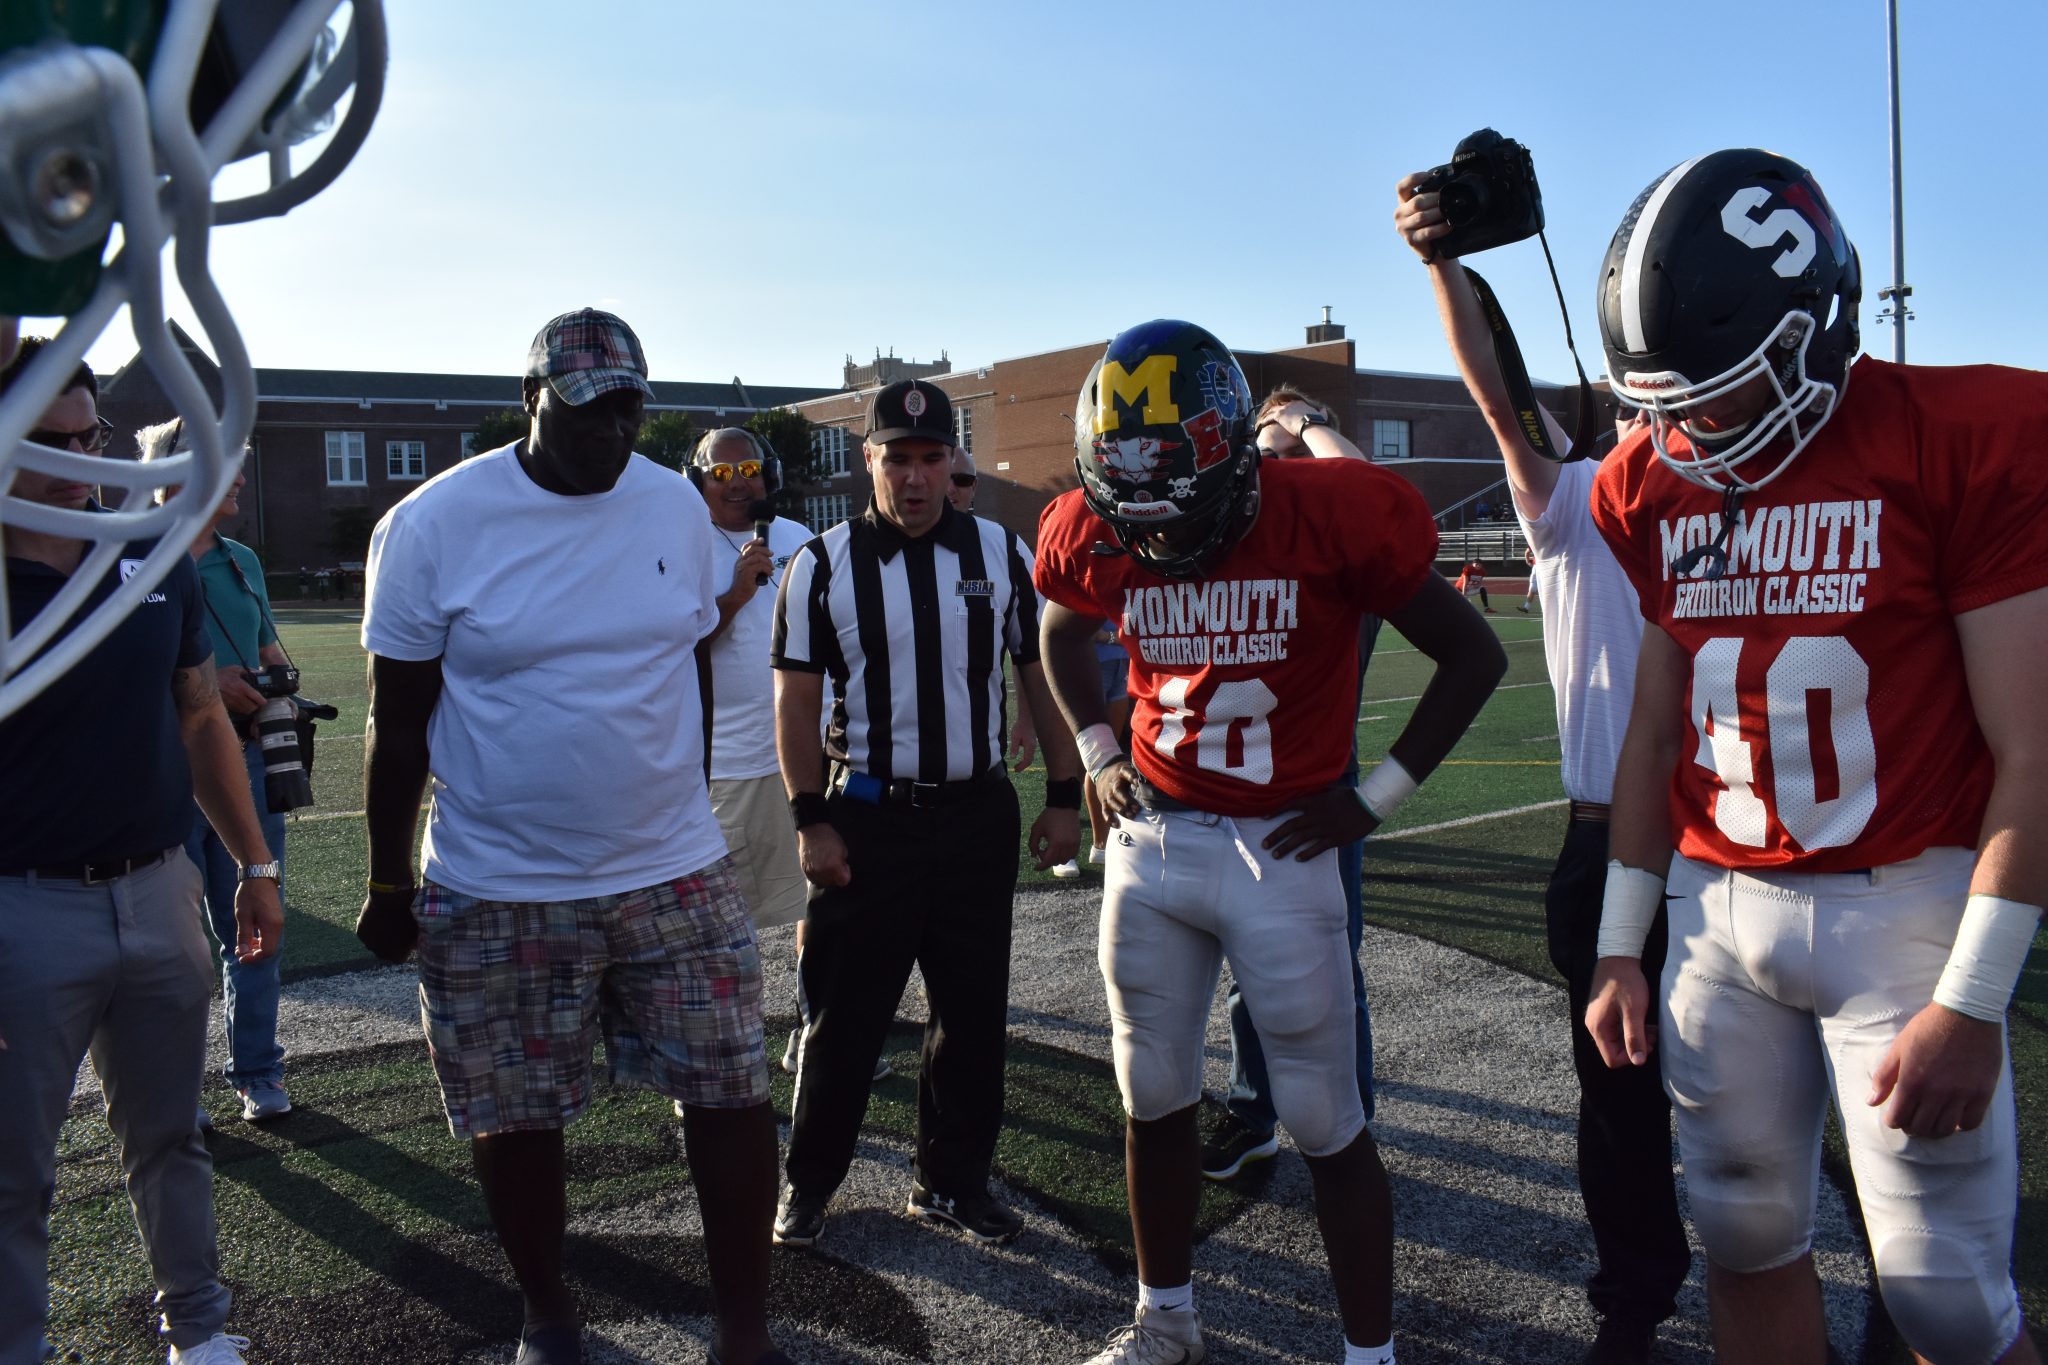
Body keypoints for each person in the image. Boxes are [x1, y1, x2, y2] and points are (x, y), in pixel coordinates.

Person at [1582, 149, 2048, 1365]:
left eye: (1716, 392)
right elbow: (1650, 726)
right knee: (1739, 1237)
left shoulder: (1958, 439)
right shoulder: (1647, 484)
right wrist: (1617, 945)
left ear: (1813, 335)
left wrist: (1974, 996)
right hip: (1711, 907)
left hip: (1902, 909)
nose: (1682, 431)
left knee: (1947, 1300)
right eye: (1660, 401)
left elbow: (2034, 749)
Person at [1036, 320, 1505, 1365]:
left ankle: (1367, 1354)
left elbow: (1470, 654)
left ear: (1236, 462)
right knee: (1150, 1094)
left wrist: (1373, 797)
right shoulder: (1097, 525)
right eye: (1134, 522)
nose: (1157, 542)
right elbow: (1060, 626)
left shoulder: (1329, 513)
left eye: (1179, 515)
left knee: (1324, 1118)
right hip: (1153, 839)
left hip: (1283, 849)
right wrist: (1096, 745)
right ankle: (1165, 1320)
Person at [355, 310, 789, 1365]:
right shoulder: (434, 523)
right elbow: (397, 718)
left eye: (627, 406)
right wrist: (385, 882)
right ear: (530, 402)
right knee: (516, 1111)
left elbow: (686, 648)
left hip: (673, 867)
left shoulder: (673, 509)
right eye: (583, 405)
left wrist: (678, 795)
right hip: (498, 877)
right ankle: (547, 1312)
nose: (608, 428)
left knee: (732, 1090)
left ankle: (742, 1327)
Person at [1395, 169, 1684, 1364]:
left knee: (1755, 1093)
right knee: (1616, 1102)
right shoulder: (1566, 503)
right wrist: (1437, 264)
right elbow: (1492, 390)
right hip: (1595, 834)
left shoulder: (1724, 501)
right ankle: (1633, 1300)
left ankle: (1878, 1289)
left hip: (1720, 839)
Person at [0, 342, 283, 1365]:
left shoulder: (150, 555)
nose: (85, 458)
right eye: (53, 439)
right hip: (21, 905)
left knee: (173, 1137)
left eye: (92, 435)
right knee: (14, 1171)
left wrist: (253, 864)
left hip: (158, 886)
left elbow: (201, 712)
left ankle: (198, 1331)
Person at [770, 377, 1082, 1250]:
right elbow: (793, 706)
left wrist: (1063, 795)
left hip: (975, 814)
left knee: (974, 1018)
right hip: (867, 818)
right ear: (868, 459)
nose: (914, 477)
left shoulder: (998, 550)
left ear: (953, 463)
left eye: (930, 458)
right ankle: (809, 1182)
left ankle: (951, 1182)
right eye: (896, 458)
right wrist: (808, 817)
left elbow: (1038, 676)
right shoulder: (822, 563)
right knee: (845, 1018)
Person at [1199, 385, 1385, 1186]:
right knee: (1249, 964)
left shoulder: (1337, 540)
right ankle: (1254, 1109)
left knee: (1330, 963)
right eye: (1262, 454)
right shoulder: (1234, 527)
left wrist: (1305, 424)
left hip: (1312, 783)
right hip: (1227, 785)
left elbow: (1372, 495)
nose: (1272, 469)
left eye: (1288, 454)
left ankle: (1352, 1120)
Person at [688, 427, 888, 1087]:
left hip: (816, 753)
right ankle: (724, 1044)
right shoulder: (683, 544)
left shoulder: (801, 537)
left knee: (826, 899)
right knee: (726, 919)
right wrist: (737, 594)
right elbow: (672, 640)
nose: (739, 480)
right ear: (699, 481)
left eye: (749, 466)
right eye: (723, 471)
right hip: (732, 762)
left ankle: (815, 1030)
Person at [139, 419, 296, 1124]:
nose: (240, 474)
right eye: (225, 463)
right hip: (164, 772)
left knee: (255, 928)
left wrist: (268, 678)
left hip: (251, 764)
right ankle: (176, 1092)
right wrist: (209, 682)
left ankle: (257, 1070)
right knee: (171, 947)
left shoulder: (242, 561)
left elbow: (268, 647)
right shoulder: (133, 559)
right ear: (175, 472)